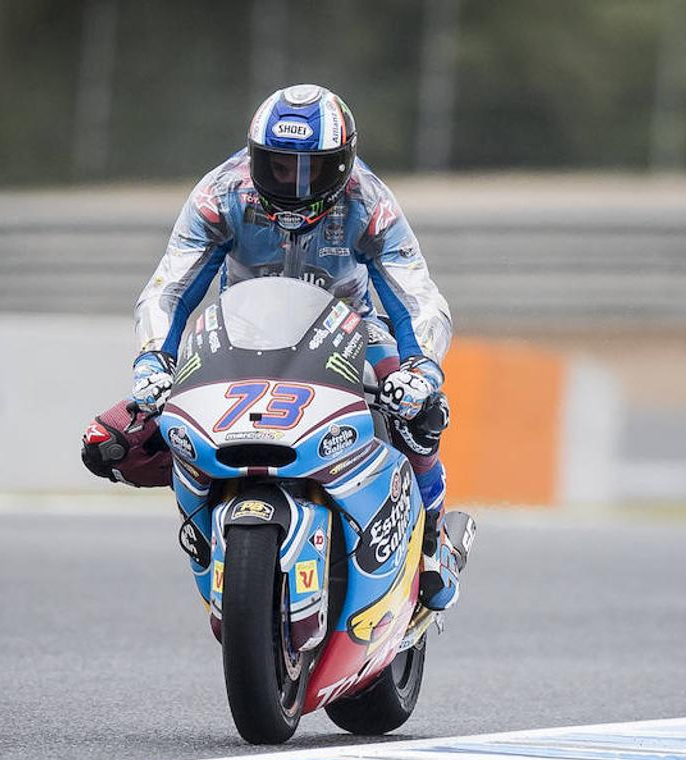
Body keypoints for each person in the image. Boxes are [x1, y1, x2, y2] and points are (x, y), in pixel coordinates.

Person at [83, 84, 472, 610]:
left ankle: (430, 542)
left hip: (352, 329)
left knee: (422, 413)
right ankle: (203, 529)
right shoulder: (220, 194)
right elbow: (170, 286)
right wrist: (154, 356)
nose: (297, 183)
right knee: (116, 438)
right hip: (240, 329)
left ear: (345, 163)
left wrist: (421, 370)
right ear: (255, 159)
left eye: (315, 168)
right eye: (280, 167)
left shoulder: (369, 201)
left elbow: (417, 295)